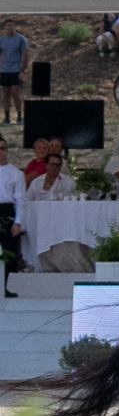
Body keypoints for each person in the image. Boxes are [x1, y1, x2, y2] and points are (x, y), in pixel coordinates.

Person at [0, 137, 24, 295]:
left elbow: (20, 200)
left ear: (7, 150)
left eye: (2, 148)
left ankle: (4, 286)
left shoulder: (16, 174)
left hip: (6, 211)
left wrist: (18, 221)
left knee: (8, 251)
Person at [0, 21, 28, 125]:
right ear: (5, 27)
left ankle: (19, 117)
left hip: (15, 70)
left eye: (11, 25)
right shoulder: (2, 39)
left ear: (14, 26)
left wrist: (22, 70)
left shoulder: (20, 39)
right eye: (8, 25)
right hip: (4, 70)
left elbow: (25, 55)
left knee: (14, 92)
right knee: (6, 93)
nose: (9, 27)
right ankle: (7, 117)